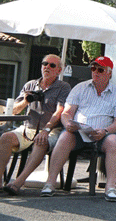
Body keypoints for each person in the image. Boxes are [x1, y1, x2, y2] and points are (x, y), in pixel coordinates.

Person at [42, 56, 116, 202]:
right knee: (64, 136)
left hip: (103, 135)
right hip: (79, 133)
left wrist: (105, 131)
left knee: (114, 140)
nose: (96, 72)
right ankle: (50, 183)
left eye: (100, 69)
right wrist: (68, 123)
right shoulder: (80, 88)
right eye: (93, 68)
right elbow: (67, 112)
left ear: (109, 73)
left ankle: (111, 187)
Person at [2, 54, 71, 196]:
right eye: (44, 64)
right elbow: (15, 111)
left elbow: (59, 111)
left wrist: (46, 129)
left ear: (59, 70)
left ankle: (17, 183)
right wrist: (26, 101)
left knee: (41, 140)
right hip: (28, 128)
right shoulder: (30, 85)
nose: (47, 67)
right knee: (5, 137)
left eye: (52, 65)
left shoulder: (63, 87)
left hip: (51, 129)